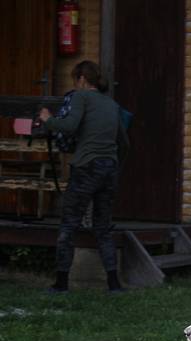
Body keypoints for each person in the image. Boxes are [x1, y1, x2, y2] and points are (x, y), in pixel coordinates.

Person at [38, 60, 129, 293]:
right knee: (102, 226)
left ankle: (61, 283)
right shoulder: (111, 104)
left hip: (86, 167)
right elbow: (124, 141)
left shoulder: (80, 97)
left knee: (69, 224)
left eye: (74, 80)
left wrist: (48, 119)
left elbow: (69, 126)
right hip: (109, 168)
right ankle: (113, 283)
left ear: (81, 79)